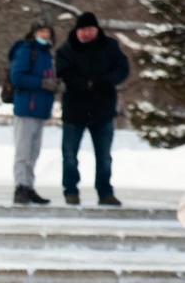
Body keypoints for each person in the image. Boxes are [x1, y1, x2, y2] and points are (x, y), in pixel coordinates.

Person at [56, 11, 130, 206]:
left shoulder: (110, 47)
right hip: (74, 109)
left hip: (103, 109)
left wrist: (105, 82)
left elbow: (123, 69)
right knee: (70, 155)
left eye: (90, 29)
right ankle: (71, 191)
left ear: (97, 30)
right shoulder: (67, 49)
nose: (86, 33)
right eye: (83, 30)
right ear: (77, 31)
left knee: (104, 156)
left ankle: (105, 192)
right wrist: (84, 84)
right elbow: (64, 72)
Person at [9, 18, 63, 205]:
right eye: (41, 32)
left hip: (40, 109)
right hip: (26, 107)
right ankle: (20, 186)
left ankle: (29, 185)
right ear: (33, 34)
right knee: (23, 151)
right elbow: (17, 77)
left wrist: (55, 85)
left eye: (47, 32)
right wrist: (40, 83)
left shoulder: (47, 54)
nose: (45, 35)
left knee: (33, 152)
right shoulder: (26, 51)